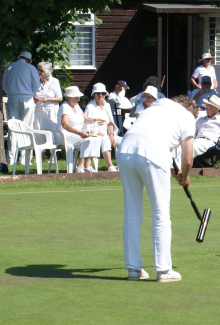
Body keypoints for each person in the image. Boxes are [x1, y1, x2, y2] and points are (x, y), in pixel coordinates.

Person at [117, 95, 197, 282]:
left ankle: (133, 269)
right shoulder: (187, 117)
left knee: (131, 215)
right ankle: (163, 270)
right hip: (151, 153)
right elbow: (187, 159)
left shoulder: (154, 108)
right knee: (161, 214)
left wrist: (173, 170)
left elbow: (146, 141)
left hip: (125, 151)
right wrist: (184, 178)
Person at [3, 51, 40, 164]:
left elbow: (4, 84)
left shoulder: (10, 66)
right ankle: (24, 158)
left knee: (12, 128)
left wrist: (11, 91)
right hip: (27, 98)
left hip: (12, 97)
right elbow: (37, 85)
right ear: (28, 59)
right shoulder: (30, 67)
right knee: (26, 127)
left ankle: (11, 158)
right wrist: (30, 93)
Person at [58, 86, 103, 173]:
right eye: (77, 97)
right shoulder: (65, 107)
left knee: (97, 139)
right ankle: (79, 166)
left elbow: (85, 119)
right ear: (70, 97)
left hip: (77, 134)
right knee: (88, 139)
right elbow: (64, 124)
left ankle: (87, 165)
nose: (79, 99)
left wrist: (96, 119)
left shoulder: (76, 106)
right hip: (65, 135)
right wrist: (79, 133)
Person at [84, 83, 119, 172]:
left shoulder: (106, 106)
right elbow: (89, 126)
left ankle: (126, 166)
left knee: (123, 140)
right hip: (94, 133)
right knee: (105, 140)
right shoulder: (90, 107)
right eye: (98, 93)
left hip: (107, 133)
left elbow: (110, 123)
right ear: (94, 95)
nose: (100, 96)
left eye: (103, 94)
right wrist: (105, 135)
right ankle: (110, 166)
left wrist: (111, 134)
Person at [33, 62, 62, 131]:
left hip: (51, 110)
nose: (39, 72)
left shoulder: (54, 81)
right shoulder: (36, 82)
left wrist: (48, 99)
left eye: (41, 71)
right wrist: (34, 99)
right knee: (38, 130)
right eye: (38, 70)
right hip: (39, 110)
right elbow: (32, 96)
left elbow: (60, 98)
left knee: (52, 130)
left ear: (47, 72)